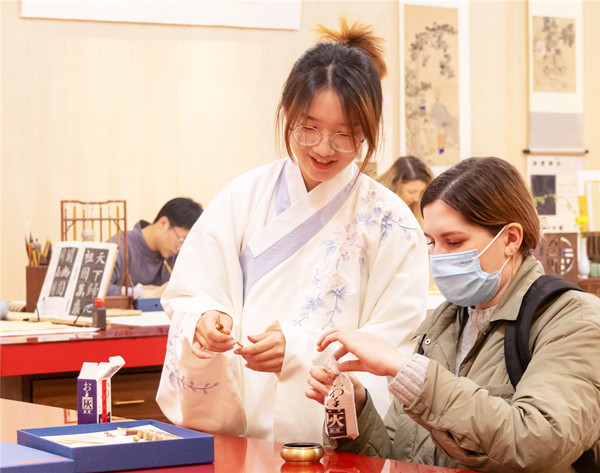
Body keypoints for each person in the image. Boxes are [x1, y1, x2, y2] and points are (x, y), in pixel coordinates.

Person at [156, 18, 429, 444]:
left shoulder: (391, 222)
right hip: (239, 436)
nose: (323, 147)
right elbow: (190, 291)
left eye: (345, 134)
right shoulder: (244, 195)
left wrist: (301, 352)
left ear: (368, 133)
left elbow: (394, 344)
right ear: (287, 113)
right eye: (309, 127)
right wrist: (205, 319)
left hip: (333, 446)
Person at [307, 157, 600, 472]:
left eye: (454, 241)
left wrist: (406, 371)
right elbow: (399, 456)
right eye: (431, 242)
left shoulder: (571, 319)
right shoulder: (439, 327)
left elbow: (539, 444)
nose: (438, 257)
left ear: (511, 239)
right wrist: (357, 410)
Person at [107, 197, 202, 299]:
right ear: (163, 224)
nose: (180, 248)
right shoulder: (119, 245)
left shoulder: (176, 254)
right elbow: (100, 290)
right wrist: (146, 294)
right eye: (181, 240)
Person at [377, 155, 433, 222]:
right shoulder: (376, 203)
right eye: (411, 192)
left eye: (421, 192)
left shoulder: (415, 207)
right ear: (394, 184)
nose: (416, 199)